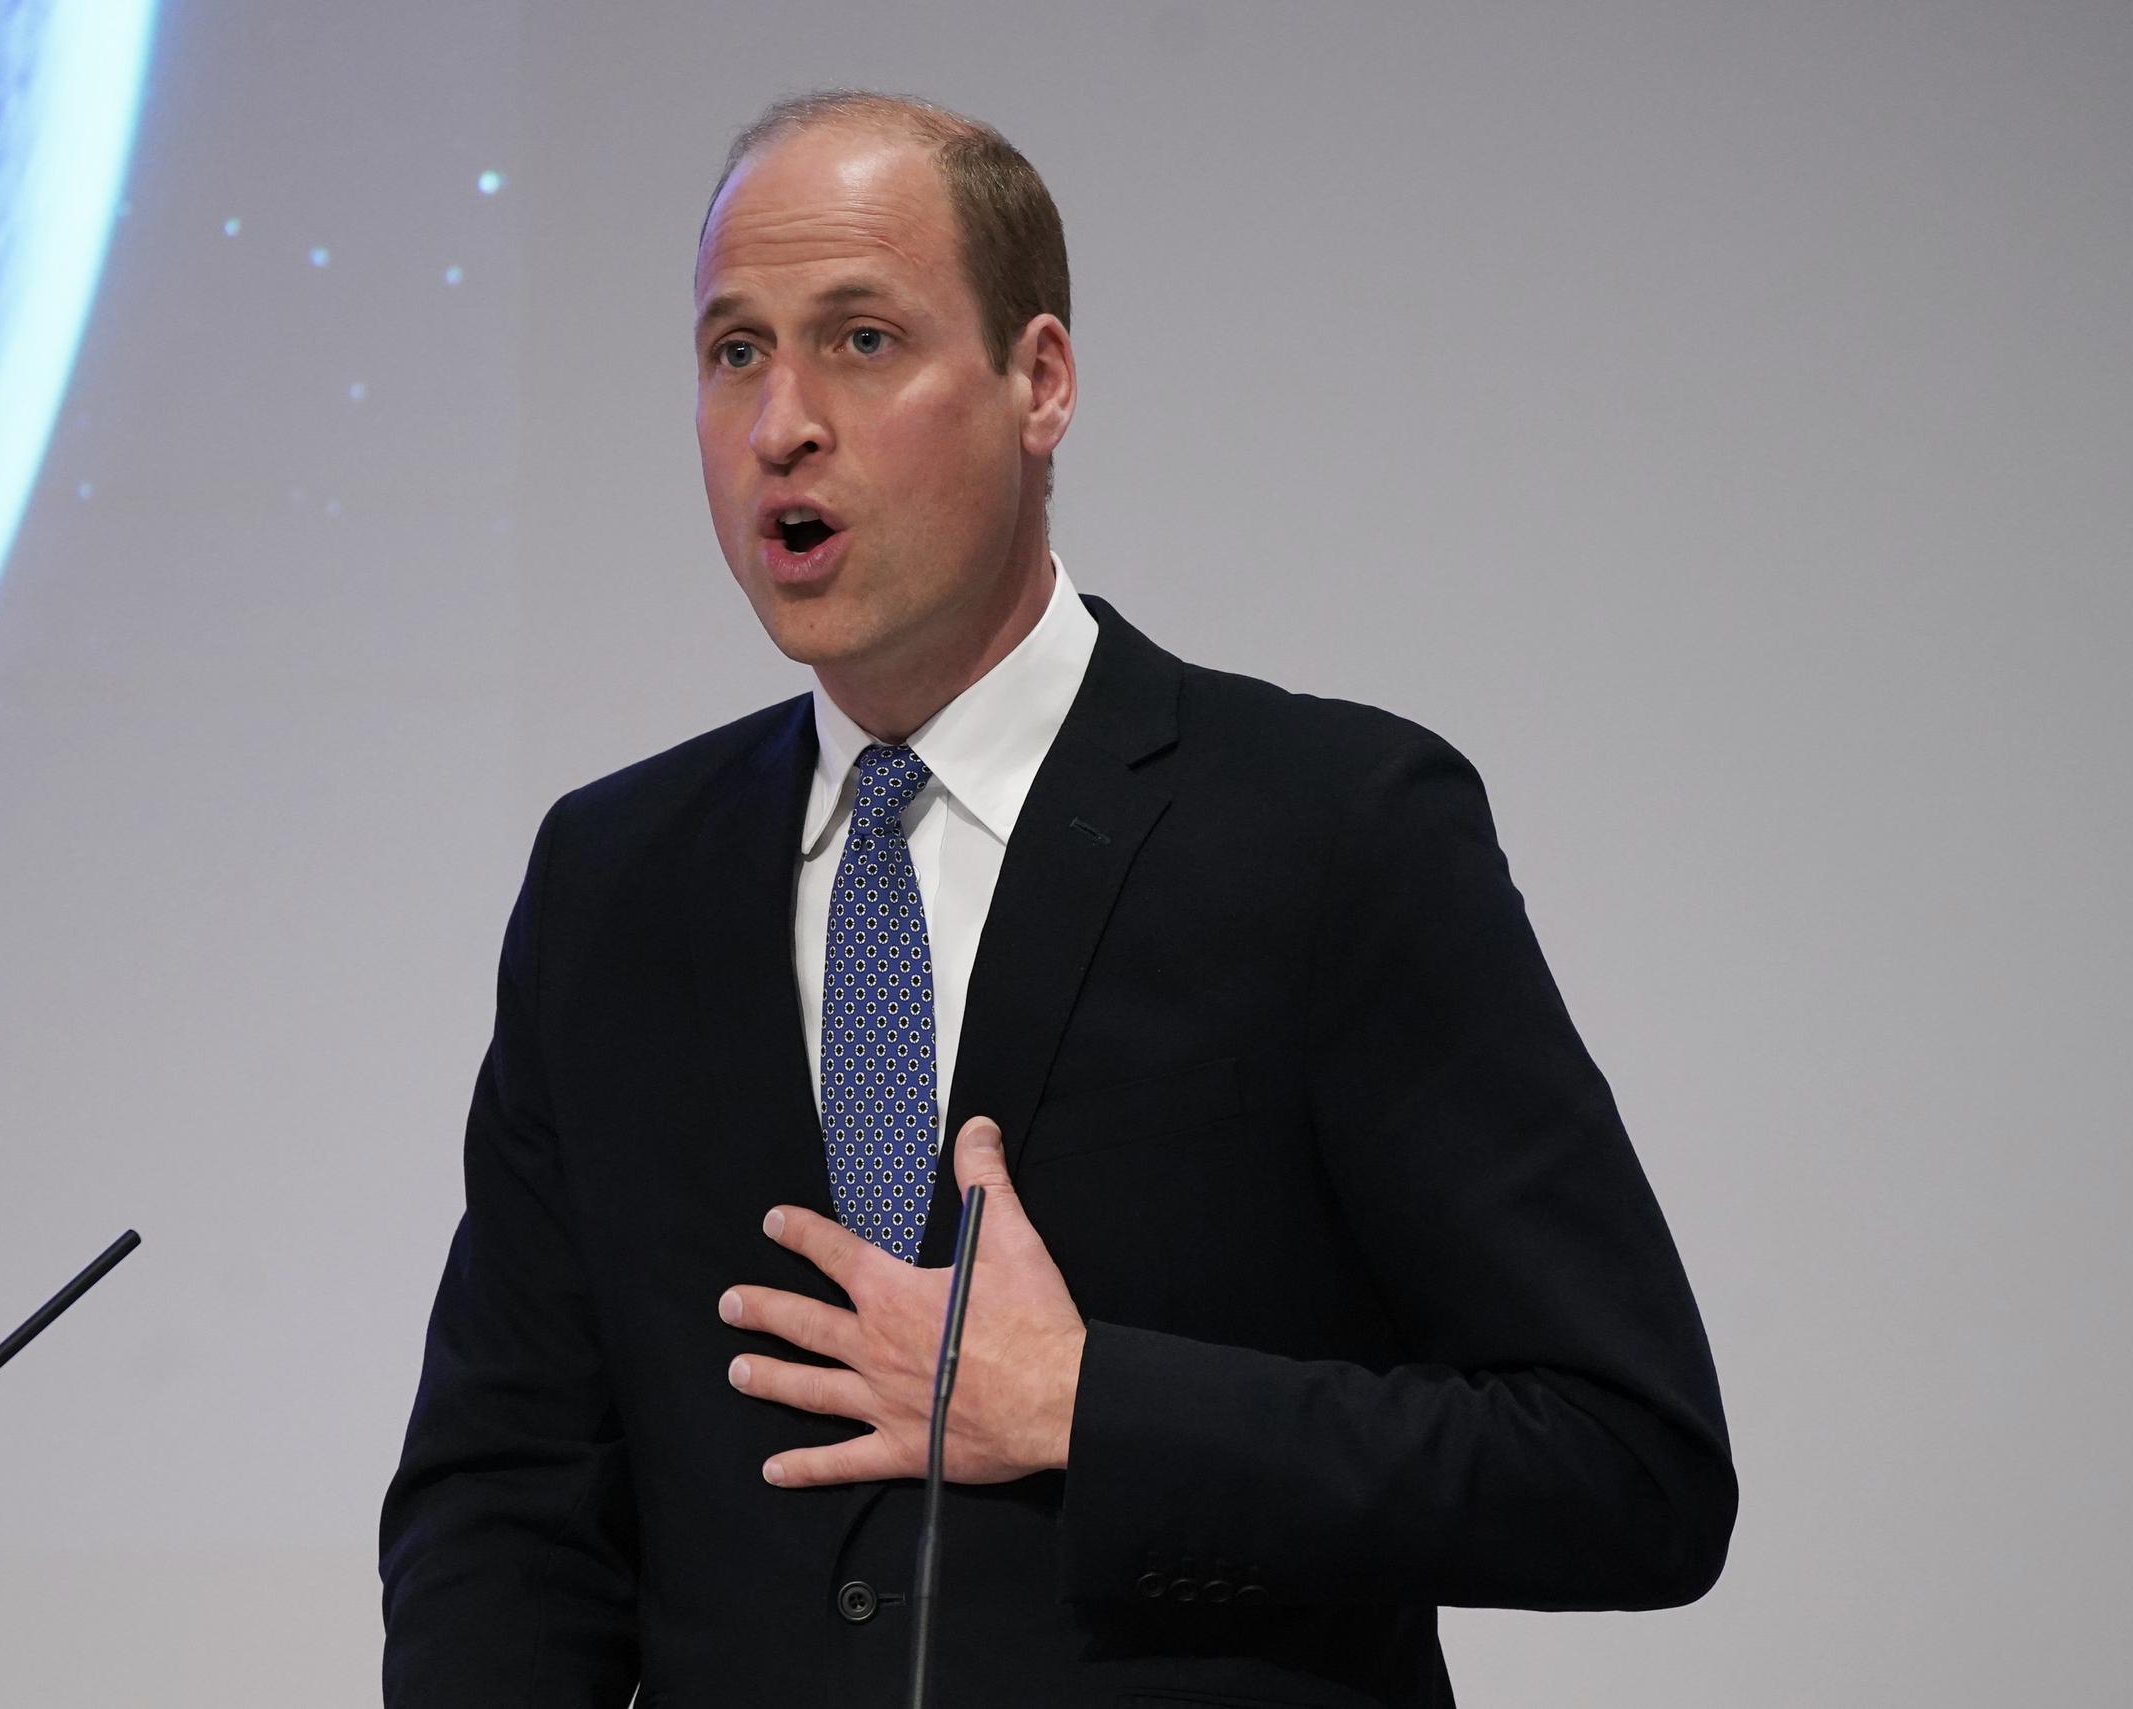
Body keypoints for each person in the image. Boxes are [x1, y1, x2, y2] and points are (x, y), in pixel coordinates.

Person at [379, 90, 1736, 1709]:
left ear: (1042, 381)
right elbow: (507, 1505)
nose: (780, 423)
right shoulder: (613, 884)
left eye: (862, 340)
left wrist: (1091, 1405)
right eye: (734, 350)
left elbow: (1626, 1464)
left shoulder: (1333, 830)